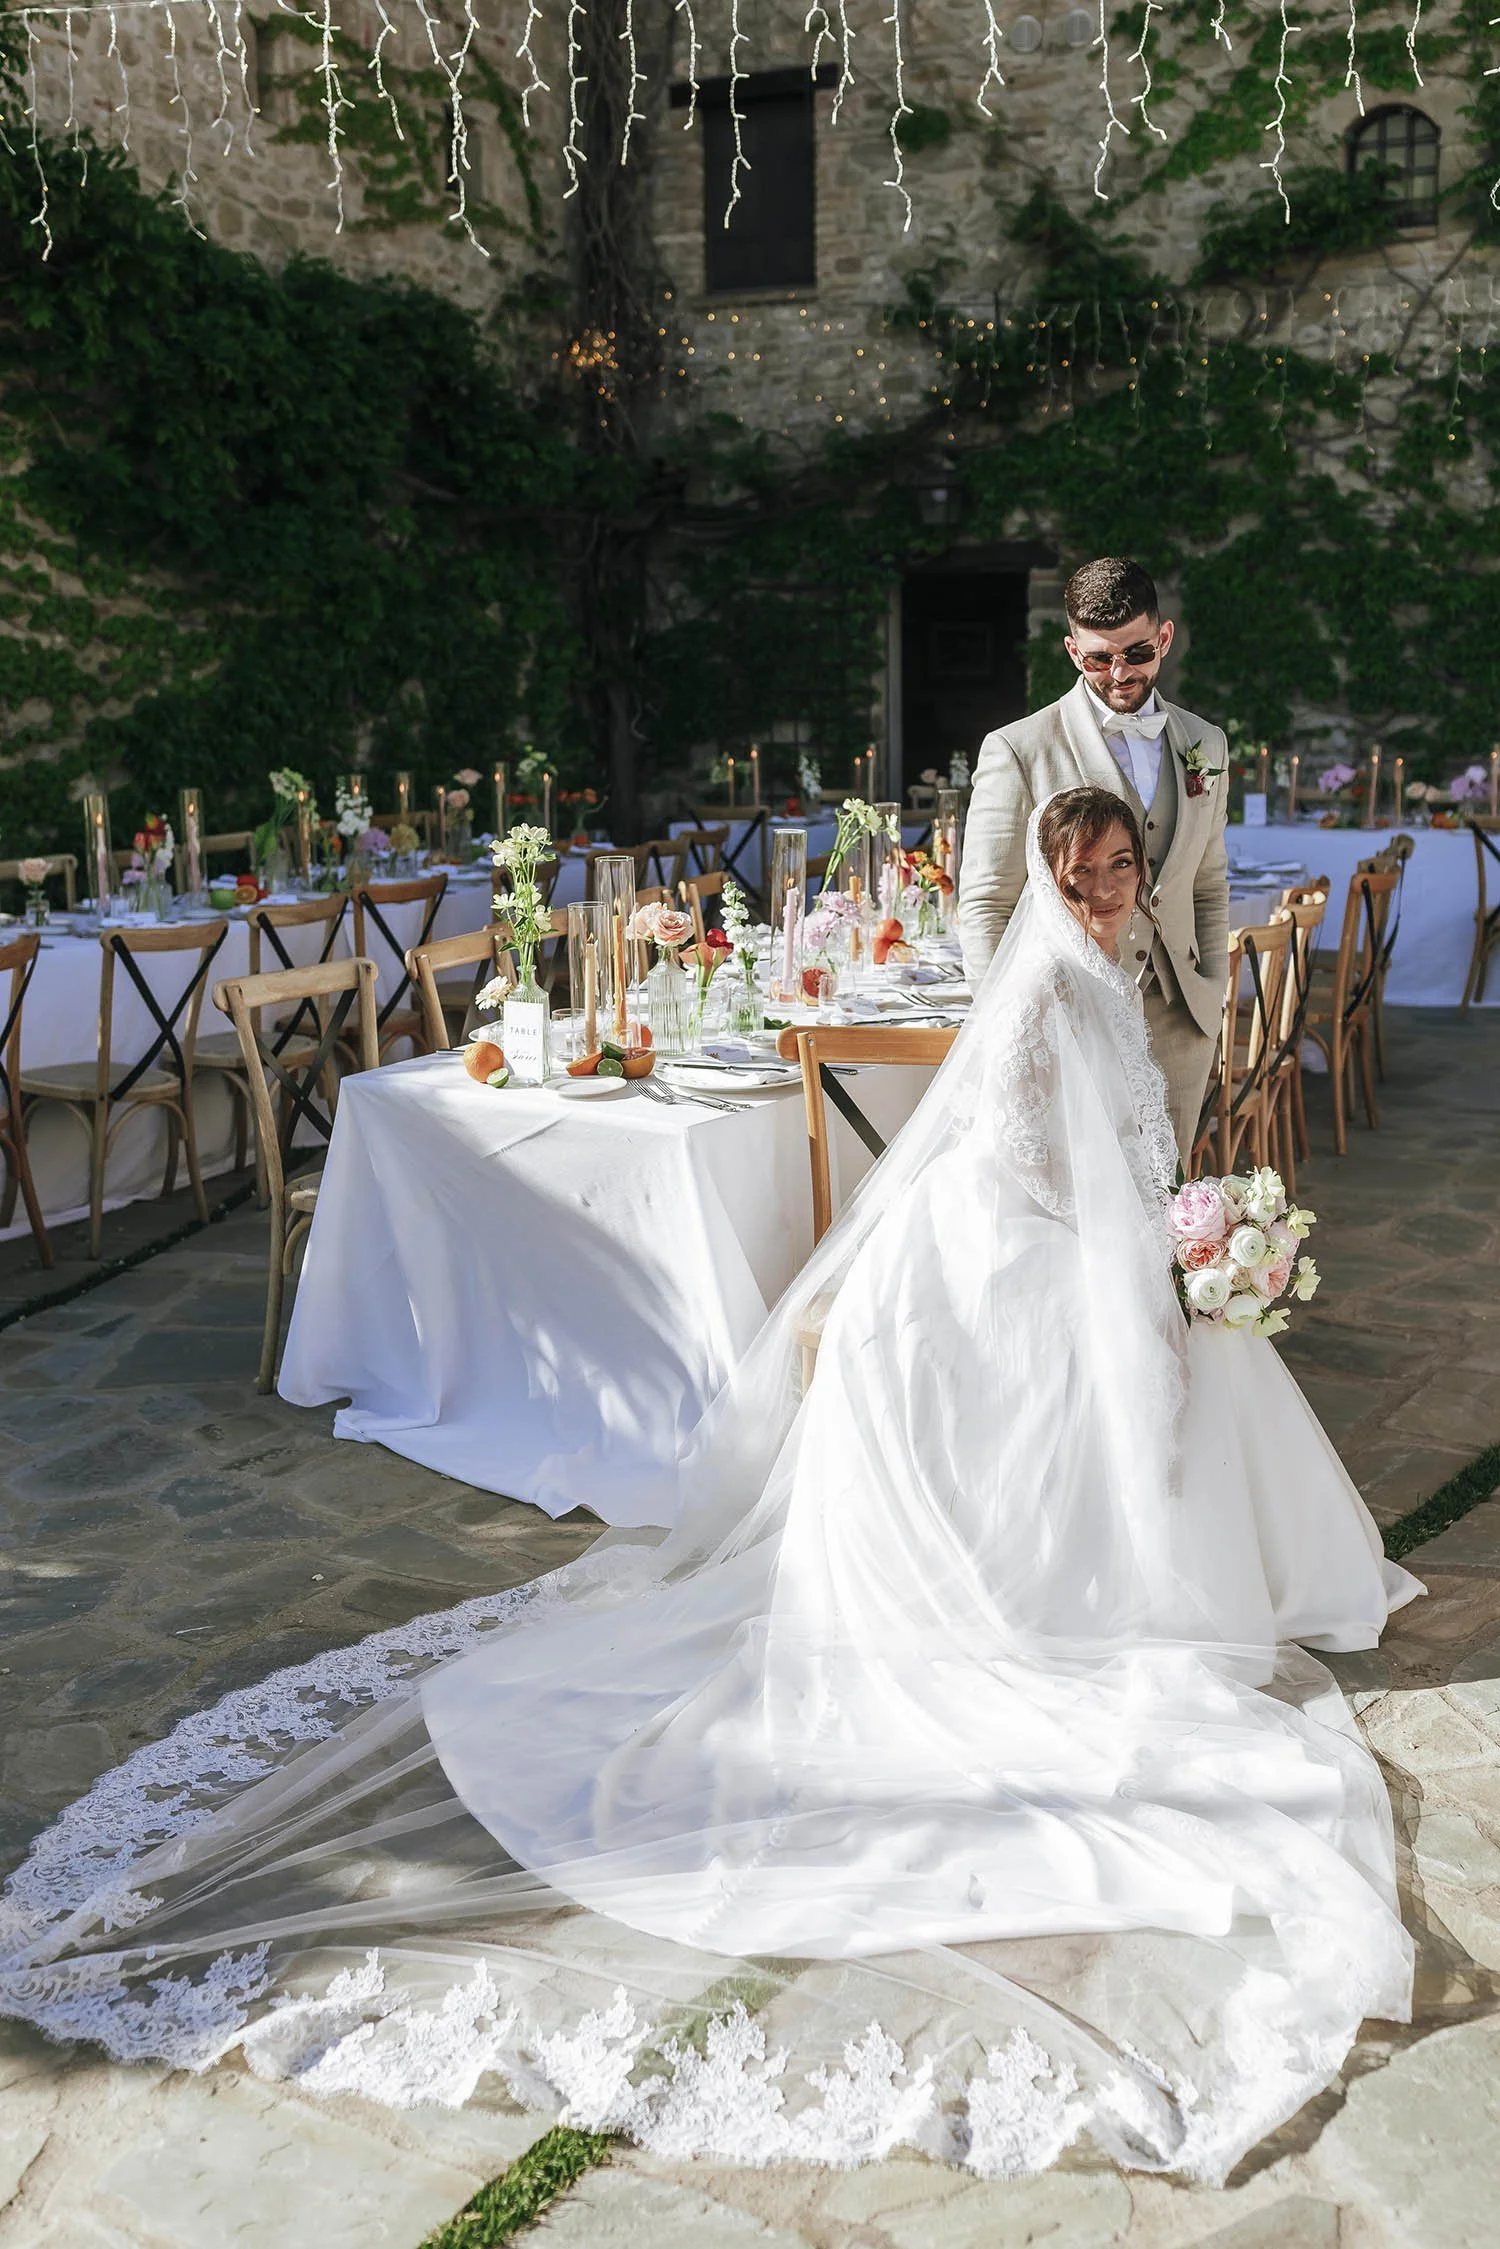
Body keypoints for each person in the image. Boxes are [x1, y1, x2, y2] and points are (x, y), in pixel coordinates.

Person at [0, 791, 1420, 2190]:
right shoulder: (1049, 981)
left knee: (1159, 1385)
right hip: (1024, 1238)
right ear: (1052, 875)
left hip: (1056, 1228)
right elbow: (1030, 1159)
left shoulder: (1089, 964)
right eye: (1090, 868)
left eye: (1123, 867)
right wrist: (1138, 1257)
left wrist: (1165, 1235)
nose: (1109, 887)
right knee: (1114, 1392)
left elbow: (1102, 1140)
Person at [961, 557, 1229, 1159]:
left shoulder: (1206, 744)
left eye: (1136, 653)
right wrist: (1010, 1029)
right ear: (1071, 650)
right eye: (1098, 657)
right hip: (1071, 1018)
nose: (1119, 672)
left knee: (1173, 1209)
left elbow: (1208, 883)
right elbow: (985, 903)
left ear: (1163, 638)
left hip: (1182, 1018)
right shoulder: (1018, 749)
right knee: (1089, 1214)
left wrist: (1212, 987)